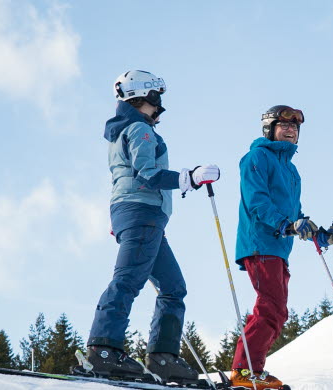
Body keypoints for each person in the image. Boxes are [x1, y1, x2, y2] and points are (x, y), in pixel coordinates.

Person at [85, 70, 220, 385]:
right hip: (142, 213)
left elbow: (124, 177)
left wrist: (123, 218)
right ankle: (103, 349)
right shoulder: (139, 130)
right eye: (156, 99)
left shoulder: (123, 131)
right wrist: (190, 177)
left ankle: (163, 358)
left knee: (174, 288)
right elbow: (146, 173)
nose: (160, 107)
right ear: (141, 98)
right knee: (129, 280)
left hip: (142, 217)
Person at [229, 105, 333, 389]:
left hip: (279, 249)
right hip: (260, 244)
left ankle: (251, 370)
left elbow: (295, 214)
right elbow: (257, 202)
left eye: (295, 127)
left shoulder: (291, 170)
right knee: (271, 307)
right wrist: (285, 225)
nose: (291, 130)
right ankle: (244, 371)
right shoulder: (257, 158)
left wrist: (320, 235)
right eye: (284, 126)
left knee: (278, 310)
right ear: (269, 130)